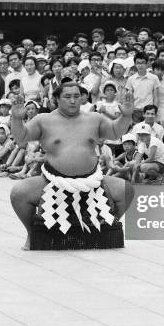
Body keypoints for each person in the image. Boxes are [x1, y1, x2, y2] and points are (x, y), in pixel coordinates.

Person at [9, 82, 135, 249]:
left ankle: (107, 225)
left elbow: (114, 131)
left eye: (76, 96)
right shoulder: (44, 120)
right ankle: (32, 233)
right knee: (19, 193)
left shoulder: (94, 119)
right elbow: (21, 137)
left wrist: (125, 116)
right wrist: (17, 118)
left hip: (92, 183)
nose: (73, 101)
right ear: (56, 99)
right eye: (67, 97)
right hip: (52, 183)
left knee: (127, 190)